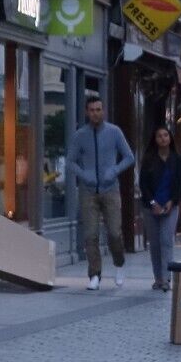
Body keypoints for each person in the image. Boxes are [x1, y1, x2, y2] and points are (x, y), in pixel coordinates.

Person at [64, 94, 134, 291]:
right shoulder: (80, 135)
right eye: (92, 110)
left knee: (114, 232)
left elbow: (129, 157)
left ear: (103, 111)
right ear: (87, 112)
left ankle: (119, 264)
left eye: (98, 109)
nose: (95, 113)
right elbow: (70, 161)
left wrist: (114, 170)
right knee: (90, 234)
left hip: (110, 189)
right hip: (88, 191)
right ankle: (94, 274)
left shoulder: (114, 132)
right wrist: (84, 174)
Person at [139, 125, 181, 292]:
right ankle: (158, 278)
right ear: (155, 139)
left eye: (165, 135)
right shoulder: (148, 160)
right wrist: (153, 203)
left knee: (166, 241)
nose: (163, 138)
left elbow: (180, 184)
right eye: (159, 136)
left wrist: (171, 201)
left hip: (170, 207)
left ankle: (166, 278)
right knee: (154, 243)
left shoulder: (177, 161)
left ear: (170, 138)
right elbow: (143, 184)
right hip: (150, 207)